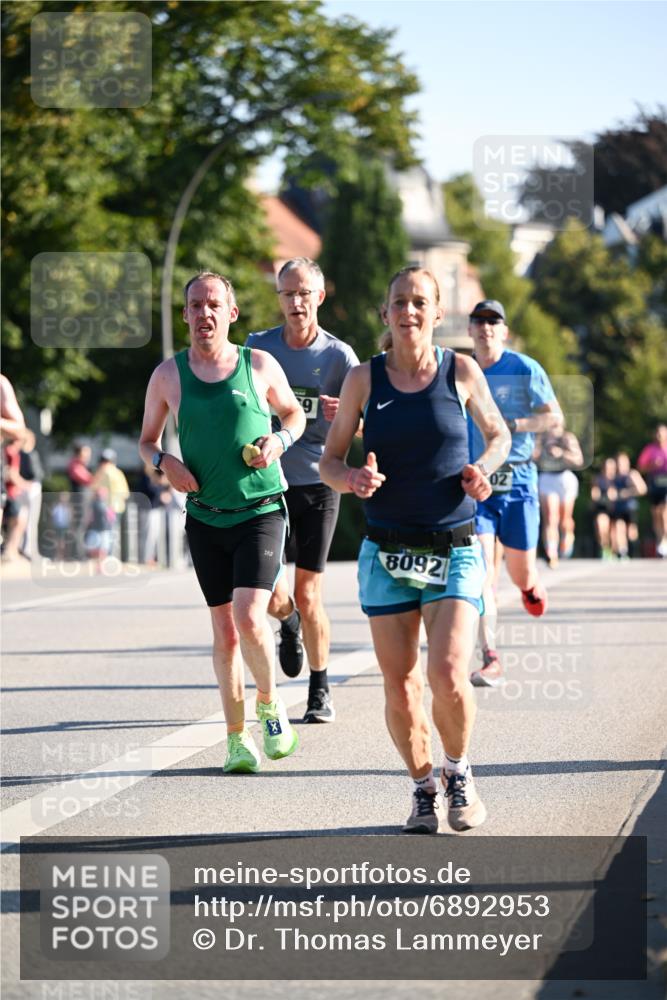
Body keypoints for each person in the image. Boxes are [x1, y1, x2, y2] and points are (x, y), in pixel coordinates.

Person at [321, 266, 510, 834]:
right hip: (386, 552)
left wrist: (484, 472)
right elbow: (328, 461)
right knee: (401, 687)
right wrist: (350, 480)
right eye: (399, 301)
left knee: (449, 673)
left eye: (419, 302)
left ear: (436, 313)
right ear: (386, 314)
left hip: (453, 546)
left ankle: (459, 771)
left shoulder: (462, 371)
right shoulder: (363, 380)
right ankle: (423, 786)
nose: (409, 311)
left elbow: (499, 436)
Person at [139, 271, 306, 774]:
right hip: (205, 518)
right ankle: (236, 739)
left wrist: (278, 442)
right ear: (186, 313)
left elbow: (294, 415)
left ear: (231, 314)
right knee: (226, 629)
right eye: (194, 305)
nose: (203, 313)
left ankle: (270, 706)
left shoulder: (259, 365)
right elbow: (148, 440)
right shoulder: (168, 376)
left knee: (249, 615)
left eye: (213, 304)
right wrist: (164, 463)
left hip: (260, 509)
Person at [246, 258, 359, 723]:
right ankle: (287, 623)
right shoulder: (257, 348)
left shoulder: (339, 357)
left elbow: (367, 420)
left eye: (304, 294)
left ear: (320, 296)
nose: (296, 302)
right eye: (288, 294)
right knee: (271, 595)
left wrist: (343, 416)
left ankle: (320, 687)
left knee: (310, 594)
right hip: (266, 483)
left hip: (316, 482)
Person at [467, 300, 562, 688]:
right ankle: (490, 656)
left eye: (494, 322)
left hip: (519, 480)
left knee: (520, 571)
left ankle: (528, 586)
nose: (486, 327)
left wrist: (517, 423)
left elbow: (555, 416)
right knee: (482, 574)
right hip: (476, 483)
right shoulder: (461, 370)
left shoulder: (524, 369)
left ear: (504, 331)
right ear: (471, 330)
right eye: (479, 321)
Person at [535, 426, 584, 568]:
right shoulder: (541, 438)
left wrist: (561, 453)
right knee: (550, 517)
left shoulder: (567, 438)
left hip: (564, 479)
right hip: (547, 478)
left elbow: (578, 460)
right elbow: (531, 456)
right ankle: (551, 552)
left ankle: (568, 537)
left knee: (565, 520)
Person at [637, 424, 667, 558]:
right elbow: (640, 468)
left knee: (664, 511)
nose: (659, 436)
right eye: (658, 433)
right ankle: (661, 541)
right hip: (655, 485)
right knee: (656, 513)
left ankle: (665, 539)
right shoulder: (649, 450)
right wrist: (652, 465)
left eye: (662, 433)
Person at [611, 451, 646, 559]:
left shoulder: (632, 474)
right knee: (618, 527)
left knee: (631, 532)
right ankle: (622, 551)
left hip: (630, 507)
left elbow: (642, 489)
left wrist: (627, 493)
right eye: (618, 463)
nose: (620, 465)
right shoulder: (613, 476)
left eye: (622, 463)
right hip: (618, 508)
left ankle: (634, 551)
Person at [590, 457, 617, 560]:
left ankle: (616, 551)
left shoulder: (618, 479)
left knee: (614, 531)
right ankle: (604, 549)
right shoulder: (598, 479)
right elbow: (594, 492)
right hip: (603, 508)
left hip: (617, 509)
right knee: (601, 527)